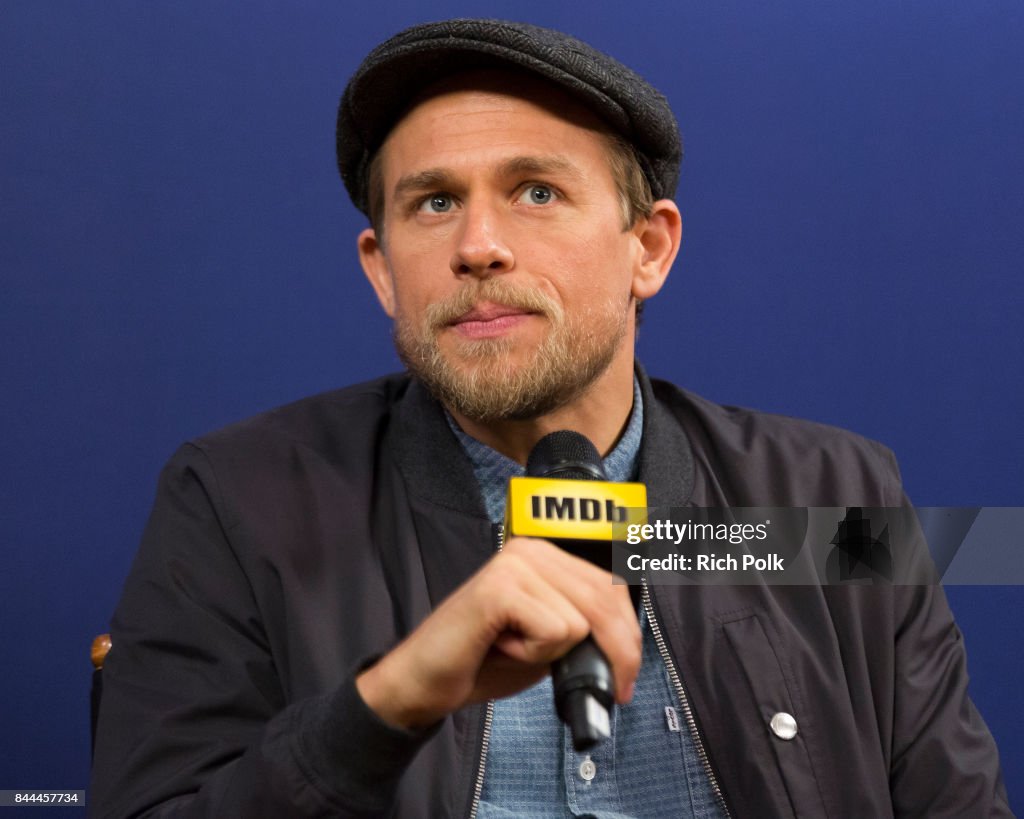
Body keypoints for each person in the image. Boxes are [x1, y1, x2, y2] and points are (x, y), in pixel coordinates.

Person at [89, 18, 1012, 818]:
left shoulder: (839, 497)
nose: (478, 247)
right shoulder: (236, 500)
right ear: (381, 268)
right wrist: (392, 701)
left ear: (647, 248)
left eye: (537, 191)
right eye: (435, 202)